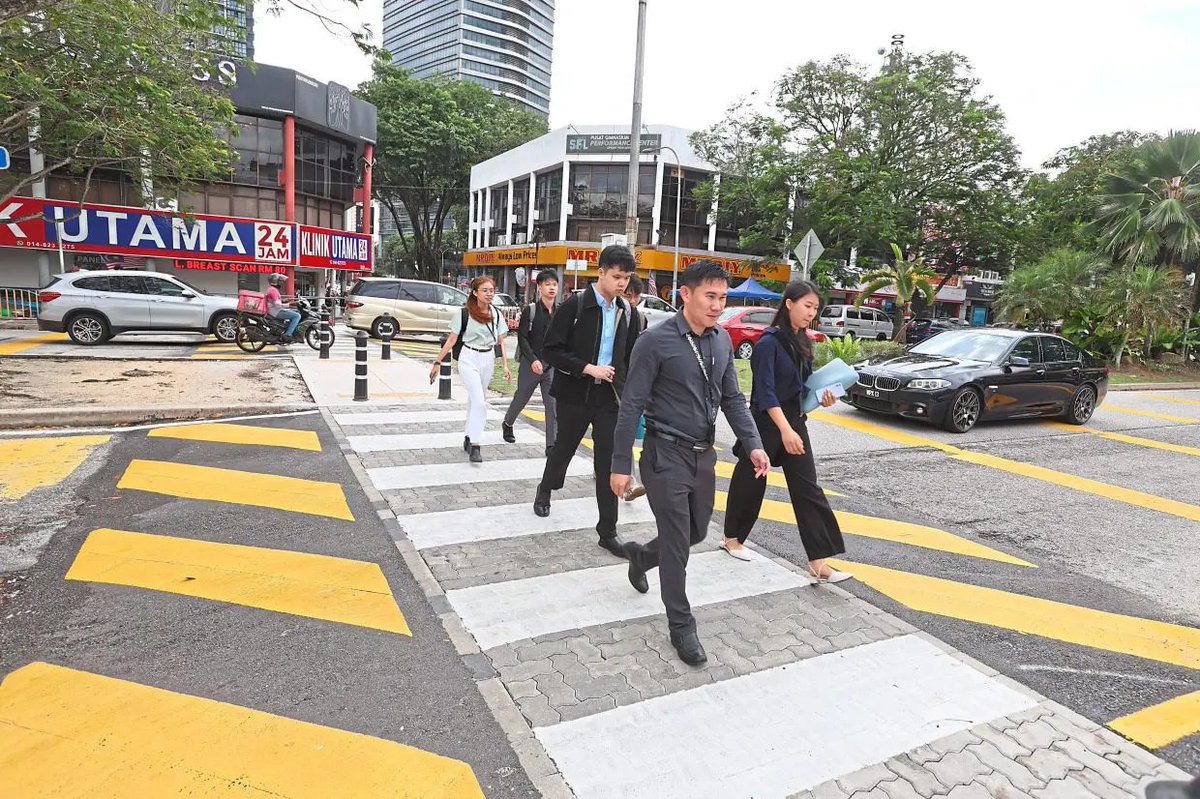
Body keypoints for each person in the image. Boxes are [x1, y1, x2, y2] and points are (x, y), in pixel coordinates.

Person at [611, 260, 770, 666]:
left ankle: (642, 557)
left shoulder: (721, 342)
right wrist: (620, 463)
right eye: (710, 296)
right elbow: (630, 405)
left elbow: (733, 398)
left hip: (703, 455)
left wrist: (751, 443)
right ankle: (682, 625)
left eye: (723, 298)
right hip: (664, 455)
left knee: (697, 532)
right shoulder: (655, 341)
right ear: (686, 295)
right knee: (679, 541)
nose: (718, 306)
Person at [720, 280, 850, 582]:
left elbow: (801, 387)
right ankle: (732, 539)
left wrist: (823, 397)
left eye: (815, 308)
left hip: (795, 421)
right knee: (751, 482)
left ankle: (818, 562)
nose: (811, 313)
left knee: (808, 488)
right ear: (789, 303)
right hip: (766, 424)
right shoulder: (767, 343)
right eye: (807, 306)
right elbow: (765, 394)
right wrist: (785, 430)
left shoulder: (803, 341)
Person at [534, 245, 638, 559]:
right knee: (563, 448)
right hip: (575, 395)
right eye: (617, 276)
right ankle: (545, 488)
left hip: (609, 398)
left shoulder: (628, 311)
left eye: (627, 277)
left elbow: (630, 355)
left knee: (607, 462)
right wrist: (586, 367)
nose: (622, 283)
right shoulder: (575, 305)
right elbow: (551, 349)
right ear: (601, 272)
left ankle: (608, 531)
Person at [429, 276, 512, 463]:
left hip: (487, 358)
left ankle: (468, 436)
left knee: (476, 400)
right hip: (468, 357)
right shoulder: (463, 313)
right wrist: (437, 362)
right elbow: (451, 340)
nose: (489, 293)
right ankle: (475, 444)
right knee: (480, 402)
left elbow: (501, 341)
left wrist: (505, 365)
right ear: (475, 292)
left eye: (491, 290)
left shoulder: (496, 313)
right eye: (485, 290)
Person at [503, 270, 559, 456]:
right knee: (522, 397)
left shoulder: (560, 312)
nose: (552, 288)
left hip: (550, 366)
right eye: (548, 284)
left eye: (554, 284)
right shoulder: (531, 310)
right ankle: (508, 423)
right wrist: (533, 360)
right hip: (531, 364)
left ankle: (551, 445)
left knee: (552, 406)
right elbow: (522, 338)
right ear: (540, 287)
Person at [621, 275, 649, 502]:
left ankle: (630, 481)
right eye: (627, 295)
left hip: (630, 382)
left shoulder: (641, 318)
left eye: (636, 295)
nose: (632, 300)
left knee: (626, 430)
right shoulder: (612, 314)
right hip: (606, 379)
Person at [265, 273, 301, 340]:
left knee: (296, 311)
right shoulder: (273, 291)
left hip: (274, 309)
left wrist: (284, 300)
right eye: (280, 281)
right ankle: (288, 334)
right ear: (276, 282)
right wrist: (290, 304)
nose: (282, 283)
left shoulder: (272, 289)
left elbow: (275, 301)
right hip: (276, 311)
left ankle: (288, 329)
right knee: (297, 316)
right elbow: (277, 304)